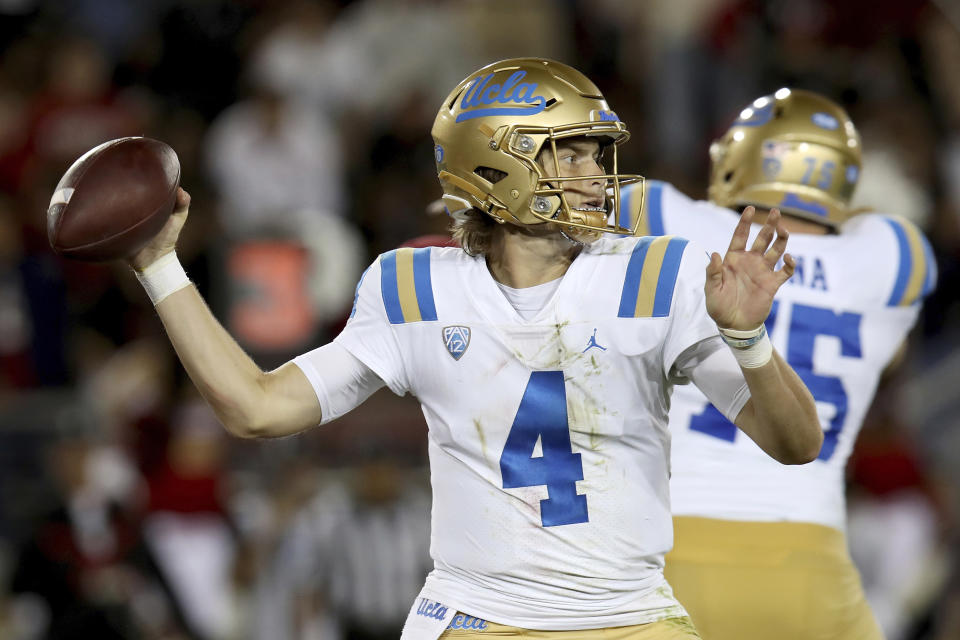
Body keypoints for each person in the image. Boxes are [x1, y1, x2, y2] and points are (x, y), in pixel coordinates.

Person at [123, 58, 823, 639]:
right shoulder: (414, 289)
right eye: (568, 151)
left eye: (595, 151)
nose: (595, 172)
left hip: (629, 612)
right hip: (476, 615)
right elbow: (256, 408)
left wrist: (748, 339)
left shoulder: (658, 275)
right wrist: (160, 265)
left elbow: (796, 443)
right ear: (496, 166)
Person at [624, 89, 937, 639]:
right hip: (815, 568)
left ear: (737, 161)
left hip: (672, 554)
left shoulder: (667, 218)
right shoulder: (891, 257)